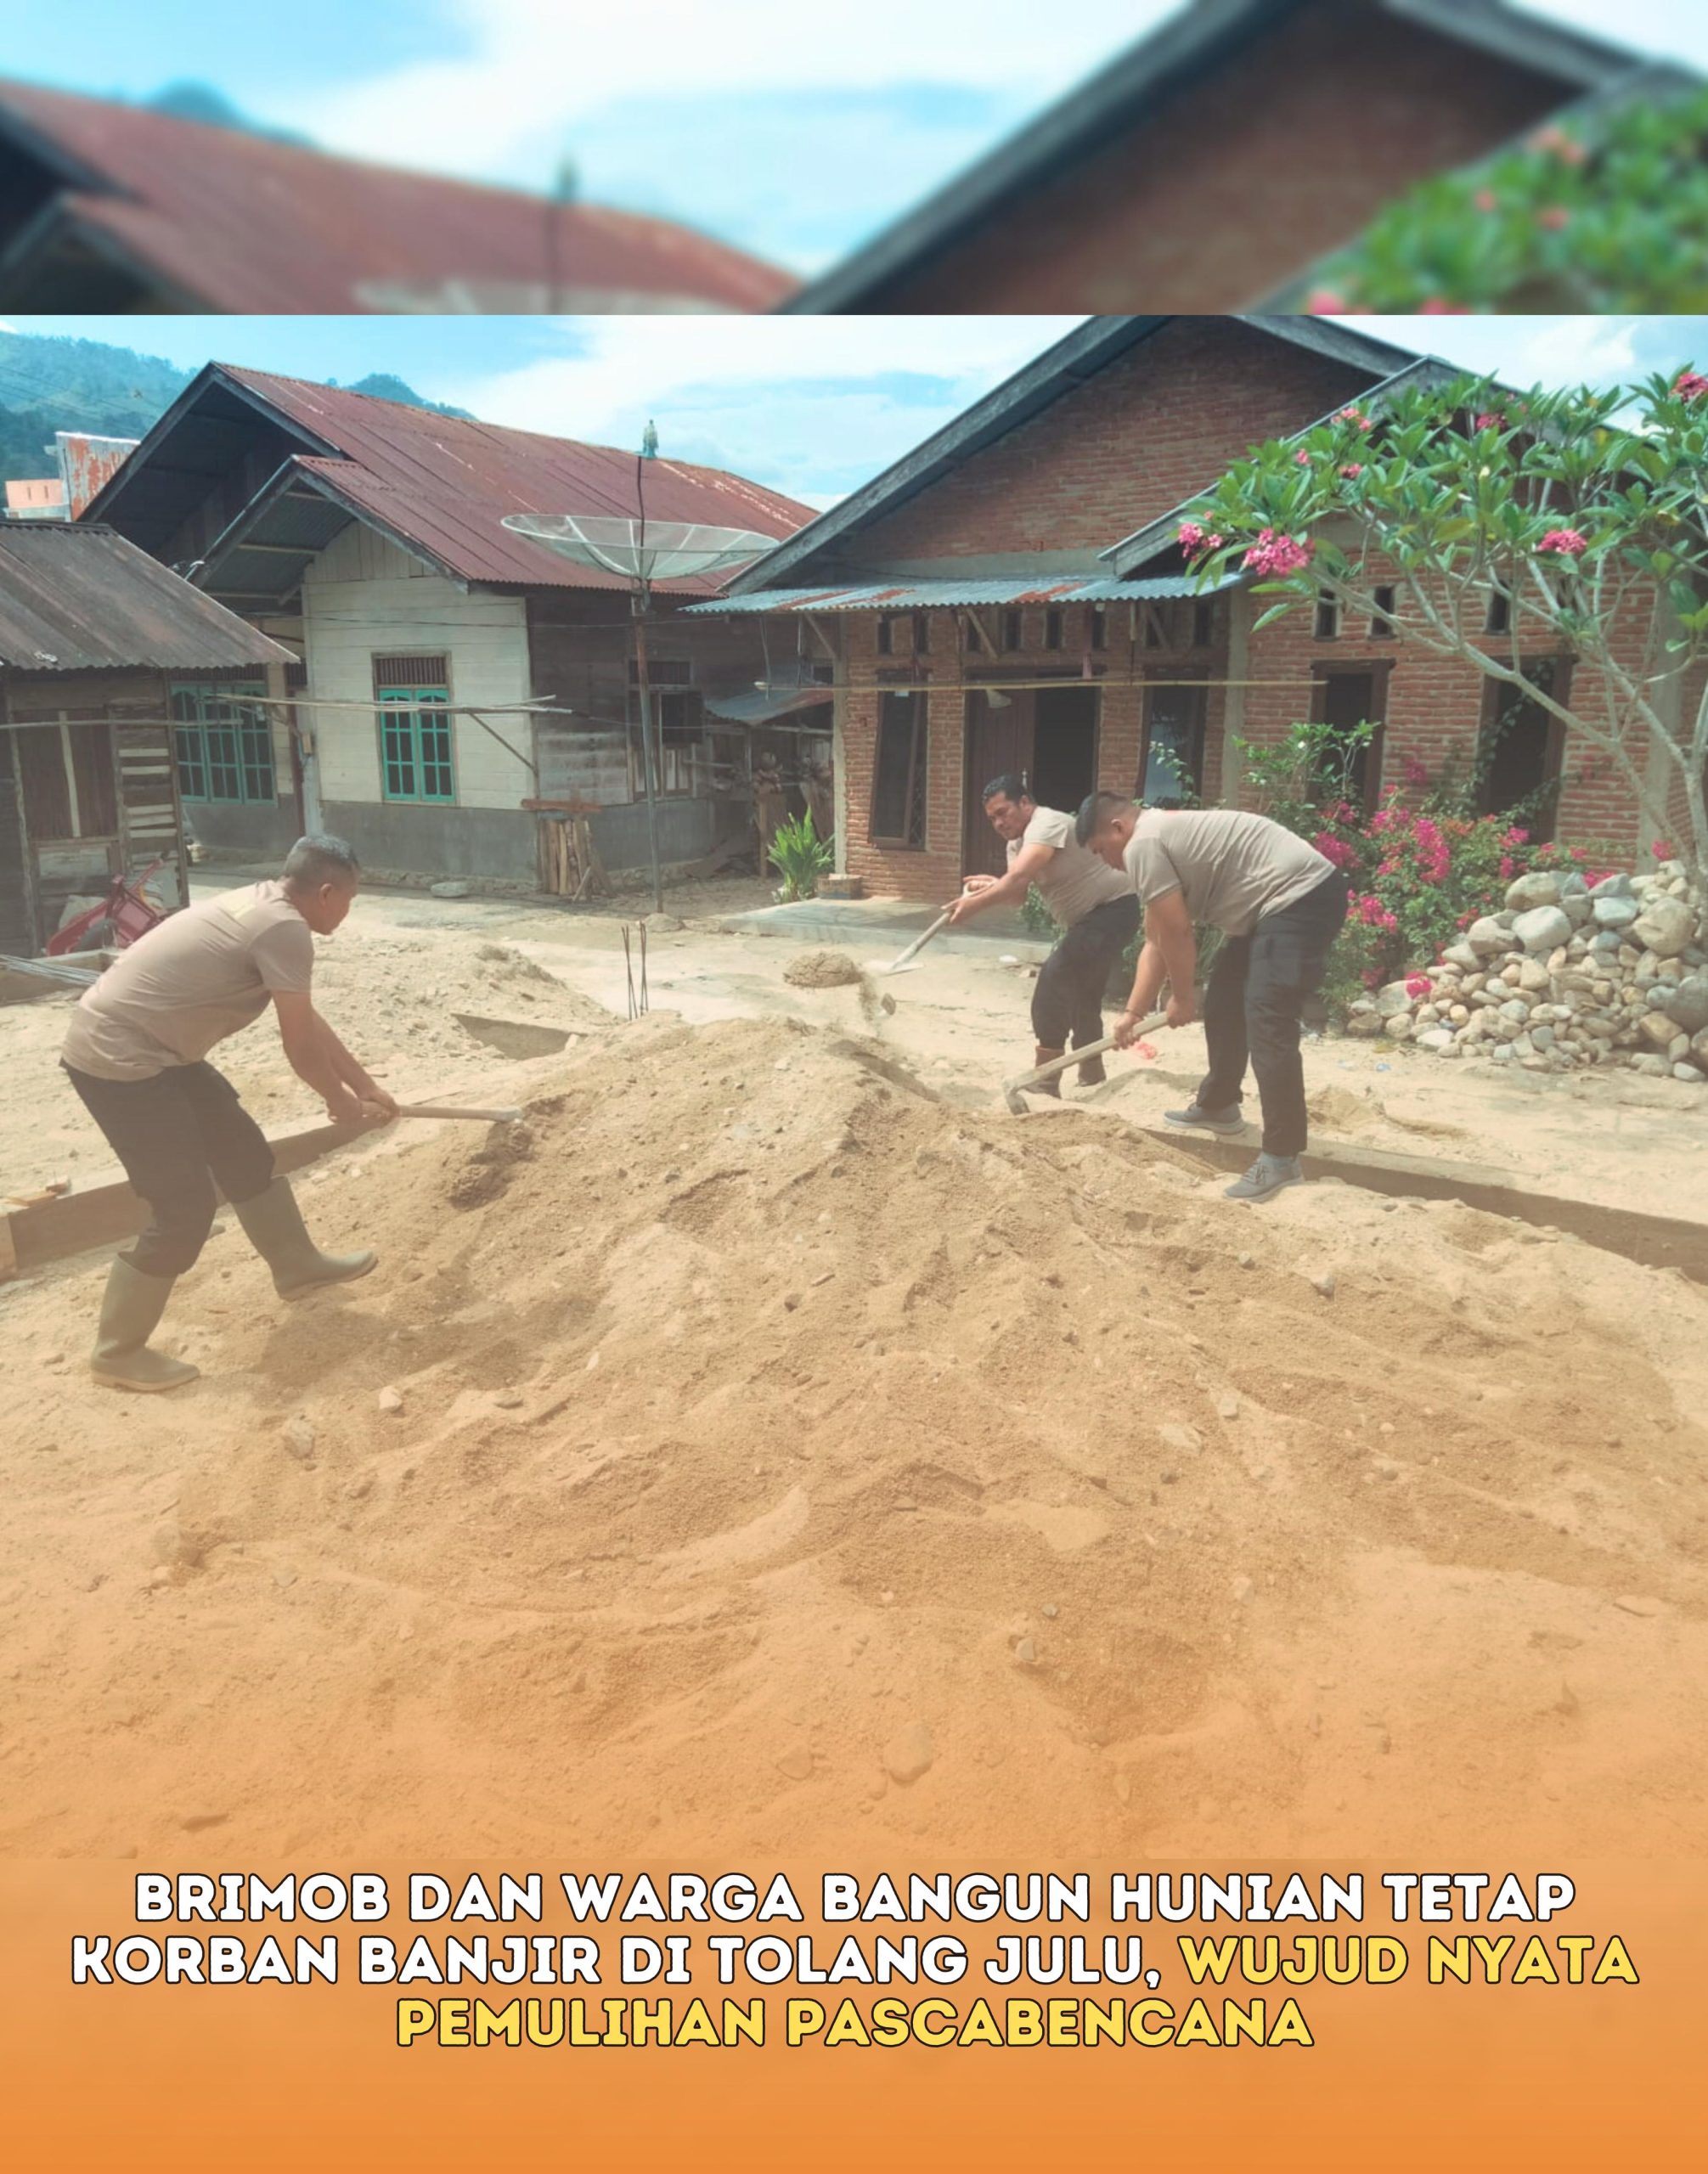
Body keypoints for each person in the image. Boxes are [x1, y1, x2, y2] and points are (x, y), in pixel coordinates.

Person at [60, 834, 397, 1393]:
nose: (348, 910)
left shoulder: (266, 904)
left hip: (160, 1053)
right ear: (327, 892)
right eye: (351, 899)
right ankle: (117, 1353)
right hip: (118, 1061)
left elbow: (306, 1021)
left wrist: (364, 1085)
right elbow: (298, 1046)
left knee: (242, 1153)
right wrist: (339, 1101)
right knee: (183, 1207)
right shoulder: (284, 928)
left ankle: (295, 1265)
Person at [1075, 793, 1350, 1201]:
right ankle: (1220, 1105)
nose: (1105, 861)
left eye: (1102, 850)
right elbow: (1156, 939)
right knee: (1224, 1001)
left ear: (1118, 828)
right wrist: (1132, 1013)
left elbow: (1179, 933)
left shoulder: (1143, 845)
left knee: (1267, 1017)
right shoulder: (1151, 839)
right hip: (1269, 909)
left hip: (1300, 897)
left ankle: (1282, 1157)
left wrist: (1183, 997)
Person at [948, 774, 1141, 1090]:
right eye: (992, 818)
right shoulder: (1016, 844)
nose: (998, 822)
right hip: (1092, 920)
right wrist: (992, 885)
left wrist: (975, 905)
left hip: (1114, 909)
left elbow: (1020, 876)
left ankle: (1046, 1078)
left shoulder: (1045, 823)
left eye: (1003, 812)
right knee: (1084, 992)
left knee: (1055, 977)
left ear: (1024, 803)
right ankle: (1092, 1071)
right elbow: (1016, 894)